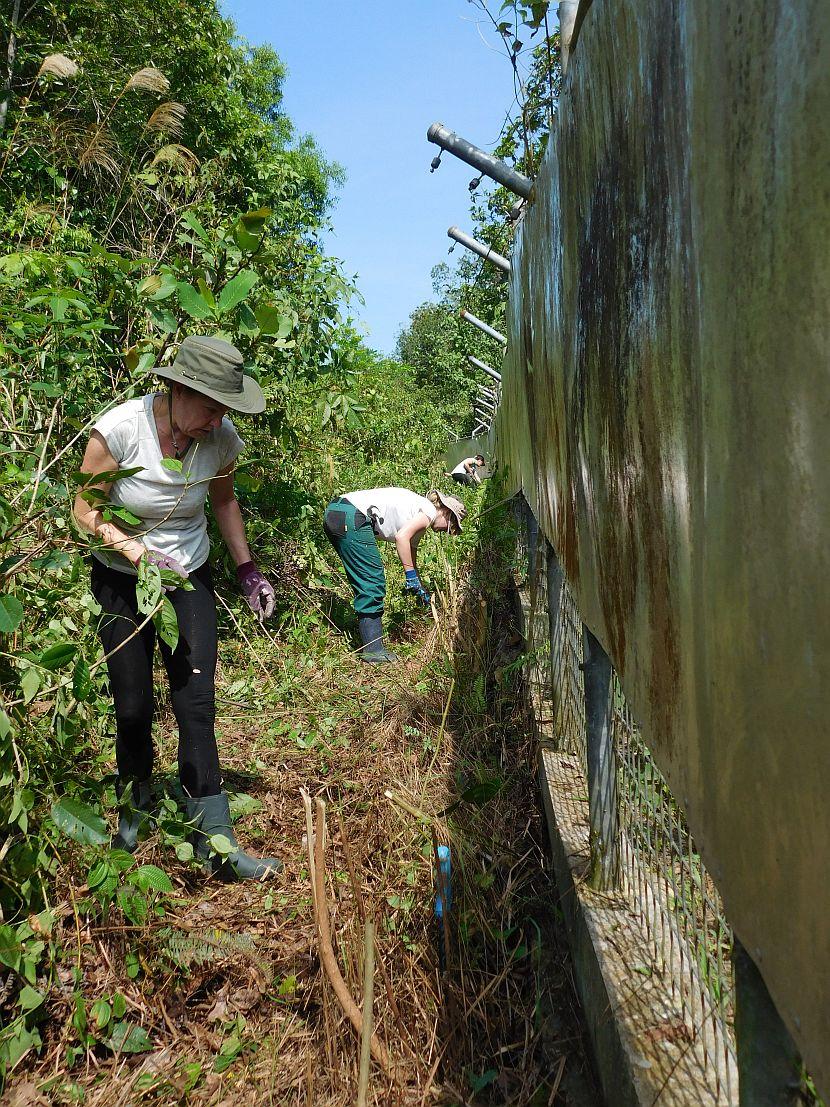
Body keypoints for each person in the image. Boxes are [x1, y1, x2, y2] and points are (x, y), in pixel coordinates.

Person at [73, 335, 281, 882]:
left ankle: (215, 840)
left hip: (188, 576)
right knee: (133, 706)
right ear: (179, 389)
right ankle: (133, 816)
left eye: (225, 411)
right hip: (122, 579)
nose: (218, 421)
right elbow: (84, 512)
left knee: (195, 703)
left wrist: (246, 568)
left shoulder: (220, 439)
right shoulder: (120, 431)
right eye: (212, 407)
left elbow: (223, 500)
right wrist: (135, 550)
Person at [323, 487, 466, 663]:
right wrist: (410, 577)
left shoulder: (419, 513)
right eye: (451, 525)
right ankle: (373, 652)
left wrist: (418, 584)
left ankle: (370, 642)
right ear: (446, 512)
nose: (448, 531)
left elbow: (410, 553)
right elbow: (401, 538)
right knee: (371, 581)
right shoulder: (428, 511)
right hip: (351, 515)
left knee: (364, 578)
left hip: (338, 511)